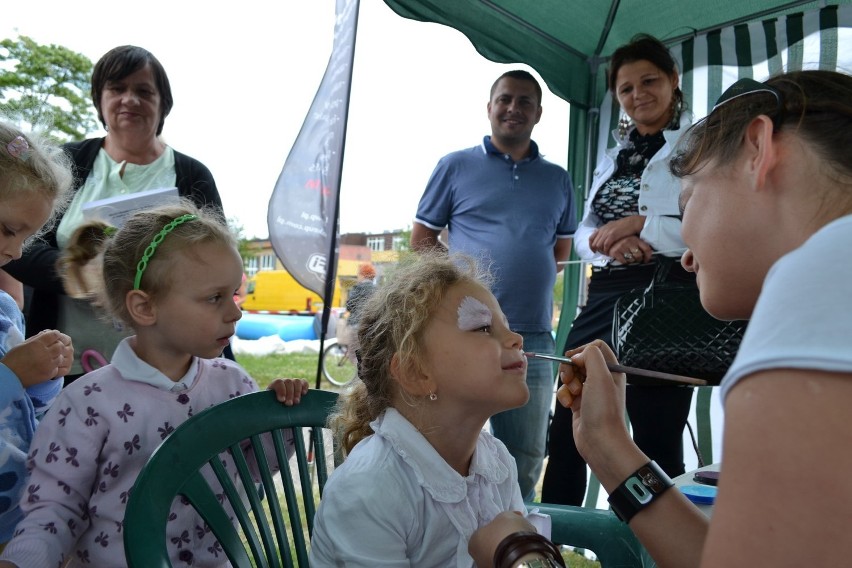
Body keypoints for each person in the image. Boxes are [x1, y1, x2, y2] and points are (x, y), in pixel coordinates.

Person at [471, 69, 852, 567]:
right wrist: (609, 449)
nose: (686, 257)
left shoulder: (820, 278)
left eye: (687, 201)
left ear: (757, 148)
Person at [0, 201, 309, 567]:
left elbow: (255, 470)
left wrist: (281, 418)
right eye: (214, 297)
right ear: (145, 308)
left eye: (233, 294)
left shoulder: (233, 385)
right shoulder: (86, 403)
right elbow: (53, 511)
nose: (235, 312)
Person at [3, 45, 231, 382]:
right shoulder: (69, 163)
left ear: (163, 104)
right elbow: (20, 247)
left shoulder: (192, 175)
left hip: (167, 362)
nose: (129, 100)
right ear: (99, 99)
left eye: (143, 91)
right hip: (69, 362)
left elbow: (216, 262)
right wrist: (79, 274)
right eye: (117, 88)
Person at [541, 34, 696, 506]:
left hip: (667, 296)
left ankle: (658, 542)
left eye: (649, 81)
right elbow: (587, 232)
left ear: (673, 80)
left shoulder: (699, 144)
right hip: (605, 290)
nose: (637, 95)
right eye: (626, 88)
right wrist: (611, 242)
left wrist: (641, 225)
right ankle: (556, 534)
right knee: (572, 414)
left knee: (655, 434)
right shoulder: (615, 154)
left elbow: (709, 227)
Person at [411, 70, 576, 501]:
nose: (513, 108)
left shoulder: (559, 179)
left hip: (531, 336)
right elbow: (422, 241)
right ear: (489, 108)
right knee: (444, 442)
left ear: (538, 113)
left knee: (525, 452)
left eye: (525, 102)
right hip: (462, 335)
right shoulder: (454, 166)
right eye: (505, 99)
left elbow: (560, 252)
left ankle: (512, 540)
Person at [310, 252, 532, 566]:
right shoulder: (370, 489)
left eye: (506, 326)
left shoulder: (495, 463)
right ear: (416, 372)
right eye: (483, 328)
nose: (515, 339)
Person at [0, 121, 75, 546]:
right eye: (10, 230)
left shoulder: (6, 309)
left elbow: (24, 413)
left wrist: (46, 376)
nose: (14, 251)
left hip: (16, 522)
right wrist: (11, 374)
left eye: (26, 239)